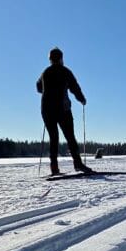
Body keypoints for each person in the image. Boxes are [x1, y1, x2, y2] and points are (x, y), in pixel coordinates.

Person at [36, 46, 90, 176]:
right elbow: (74, 87)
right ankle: (78, 164)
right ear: (61, 58)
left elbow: (38, 87)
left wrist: (47, 91)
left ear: (50, 59)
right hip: (62, 109)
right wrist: (82, 99)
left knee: (53, 138)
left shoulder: (45, 72)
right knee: (70, 137)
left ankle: (54, 168)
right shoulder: (65, 71)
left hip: (46, 109)